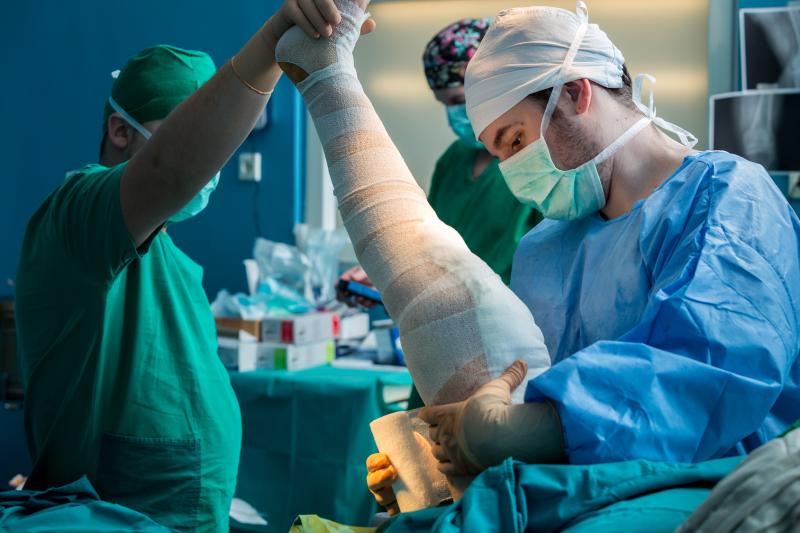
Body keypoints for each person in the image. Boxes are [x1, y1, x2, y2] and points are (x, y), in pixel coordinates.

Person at [368, 0, 800, 514]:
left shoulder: (728, 200)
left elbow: (708, 368)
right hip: (578, 500)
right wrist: (446, 468)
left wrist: (529, 431)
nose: (513, 172)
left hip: (721, 498)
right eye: (500, 155)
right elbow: (513, 385)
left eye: (516, 140)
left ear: (575, 93)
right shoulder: (544, 248)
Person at [14, 3, 375, 531]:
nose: (212, 162)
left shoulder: (163, 254)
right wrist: (273, 43)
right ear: (120, 131)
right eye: (190, 132)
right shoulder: (74, 216)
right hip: (118, 514)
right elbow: (168, 170)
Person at [339, 18, 540, 304]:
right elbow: (430, 247)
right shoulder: (454, 159)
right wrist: (385, 277)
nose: (453, 115)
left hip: (515, 314)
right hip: (448, 312)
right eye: (445, 104)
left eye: (459, 100)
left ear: (491, 87)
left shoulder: (535, 160)